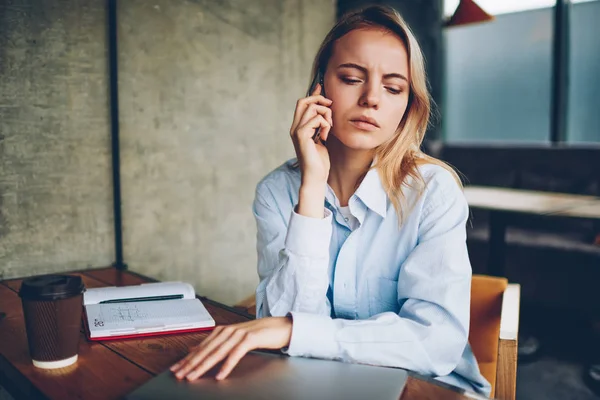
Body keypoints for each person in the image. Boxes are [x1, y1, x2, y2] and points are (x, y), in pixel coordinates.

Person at [171, 5, 491, 396]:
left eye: (393, 88)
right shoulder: (277, 191)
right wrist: (312, 186)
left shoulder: (433, 191)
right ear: (320, 87)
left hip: (427, 387)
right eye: (352, 78)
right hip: (321, 383)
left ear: (408, 107)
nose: (372, 98)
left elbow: (434, 343)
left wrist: (294, 330)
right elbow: (284, 334)